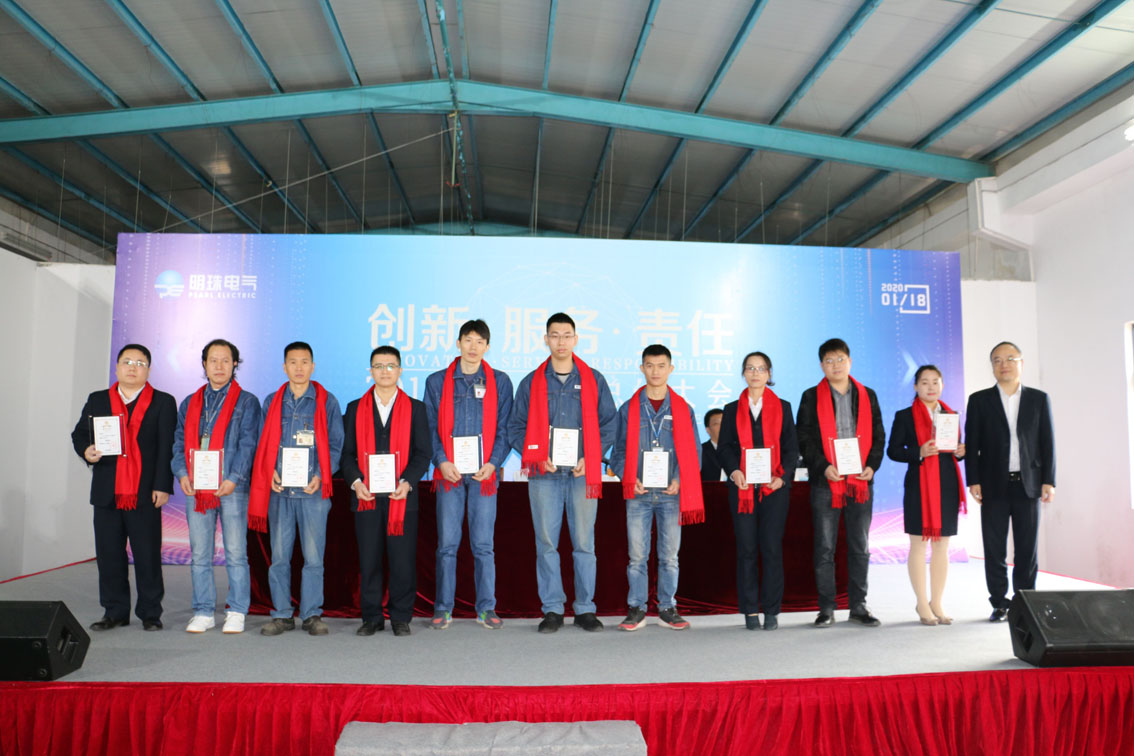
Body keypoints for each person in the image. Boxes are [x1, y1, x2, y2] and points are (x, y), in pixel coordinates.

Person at [508, 312, 617, 633]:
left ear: (576, 339)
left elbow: (609, 423)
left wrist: (591, 456)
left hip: (583, 474)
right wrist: (536, 455)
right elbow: (515, 427)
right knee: (546, 543)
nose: (561, 341)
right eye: (554, 335)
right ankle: (553, 609)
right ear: (546, 339)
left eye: (566, 335)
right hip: (545, 475)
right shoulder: (531, 382)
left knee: (584, 543)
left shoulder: (594, 379)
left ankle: (585, 609)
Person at [71, 343, 176, 631]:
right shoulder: (98, 399)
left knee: (147, 554)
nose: (133, 367)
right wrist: (86, 450)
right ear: (117, 367)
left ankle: (150, 613)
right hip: (107, 490)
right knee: (108, 555)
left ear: (148, 370)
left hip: (145, 491)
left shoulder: (163, 402)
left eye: (140, 363)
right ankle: (114, 611)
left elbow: (166, 446)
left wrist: (162, 485)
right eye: (127, 361)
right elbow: (79, 434)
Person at [424, 320, 513, 631]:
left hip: (484, 475)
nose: (473, 347)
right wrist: (441, 461)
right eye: (468, 340)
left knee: (483, 546)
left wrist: (494, 462)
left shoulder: (500, 382)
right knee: (447, 545)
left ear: (487, 347)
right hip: (448, 474)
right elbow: (430, 428)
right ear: (458, 343)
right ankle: (443, 608)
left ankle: (486, 608)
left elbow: (504, 429)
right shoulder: (437, 381)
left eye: (479, 342)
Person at [250, 342, 344, 637]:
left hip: (313, 493)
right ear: (284, 367)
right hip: (280, 493)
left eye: (305, 362)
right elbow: (262, 443)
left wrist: (321, 474)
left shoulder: (326, 402)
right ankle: (281, 614)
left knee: (313, 558)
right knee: (279, 558)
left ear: (313, 366)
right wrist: (269, 470)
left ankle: (311, 614)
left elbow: (336, 445)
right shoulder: (272, 401)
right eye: (293, 362)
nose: (299, 367)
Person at [610, 345, 703, 632]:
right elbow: (617, 452)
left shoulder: (683, 409)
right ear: (642, 368)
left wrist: (679, 479)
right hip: (638, 494)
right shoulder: (629, 409)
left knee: (669, 557)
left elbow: (694, 452)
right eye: (649, 365)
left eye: (661, 366)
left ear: (670, 369)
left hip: (671, 494)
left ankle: (667, 608)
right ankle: (636, 608)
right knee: (637, 557)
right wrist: (629, 477)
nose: (655, 371)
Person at [171, 339, 262, 634]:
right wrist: (182, 473)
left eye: (225, 360)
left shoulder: (247, 401)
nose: (219, 366)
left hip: (233, 487)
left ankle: (237, 610)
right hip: (198, 489)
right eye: (213, 360)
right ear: (204, 365)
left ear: (235, 364)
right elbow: (178, 442)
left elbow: (249, 444)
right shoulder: (190, 402)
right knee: (200, 553)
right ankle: (203, 610)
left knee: (235, 552)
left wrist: (234, 477)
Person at [341, 346, 432, 637]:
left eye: (390, 366)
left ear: (400, 371)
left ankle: (401, 616)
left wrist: (407, 481)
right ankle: (371, 617)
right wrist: (356, 482)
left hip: (402, 498)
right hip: (365, 497)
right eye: (378, 366)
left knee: (402, 560)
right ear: (370, 371)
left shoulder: (416, 408)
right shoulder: (354, 409)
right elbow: (346, 454)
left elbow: (423, 453)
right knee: (369, 560)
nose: (384, 371)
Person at [796, 338, 885, 628]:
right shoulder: (811, 396)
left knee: (860, 545)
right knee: (825, 547)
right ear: (821, 365)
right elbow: (804, 437)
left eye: (840, 359)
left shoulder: (867, 395)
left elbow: (879, 434)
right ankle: (826, 608)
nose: (835, 365)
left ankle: (858, 605)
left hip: (860, 481)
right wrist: (823, 467)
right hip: (826, 483)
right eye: (829, 361)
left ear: (850, 361)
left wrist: (872, 466)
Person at [964, 341, 1055, 622]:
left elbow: (1048, 443)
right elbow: (972, 443)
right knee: (994, 548)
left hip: (1029, 484)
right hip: (993, 484)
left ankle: (1025, 601)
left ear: (1021, 364)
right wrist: (973, 479)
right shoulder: (979, 400)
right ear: (992, 366)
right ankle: (999, 602)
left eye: (1010, 359)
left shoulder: (1038, 399)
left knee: (1027, 548)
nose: (1004, 365)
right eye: (997, 360)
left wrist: (1049, 480)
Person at [717, 351, 798, 631]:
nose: (755, 373)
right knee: (747, 550)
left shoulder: (783, 407)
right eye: (750, 368)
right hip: (742, 489)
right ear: (743, 373)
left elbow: (791, 449)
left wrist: (782, 477)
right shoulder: (731, 409)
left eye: (761, 368)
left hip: (774, 490)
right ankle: (750, 610)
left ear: (769, 374)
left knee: (772, 549)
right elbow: (724, 448)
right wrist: (734, 471)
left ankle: (772, 610)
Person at [886, 365, 966, 626]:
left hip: (946, 485)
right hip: (919, 486)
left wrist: (960, 452)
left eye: (935, 382)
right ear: (915, 386)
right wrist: (918, 451)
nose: (930, 387)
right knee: (919, 544)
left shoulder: (951, 415)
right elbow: (893, 451)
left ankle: (937, 602)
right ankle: (922, 602)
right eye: (924, 382)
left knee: (942, 544)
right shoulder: (905, 416)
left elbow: (953, 451)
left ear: (942, 385)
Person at [701, 408, 726, 481]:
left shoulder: (738, 450)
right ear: (708, 430)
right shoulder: (700, 452)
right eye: (716, 424)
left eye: (724, 422)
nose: (722, 427)